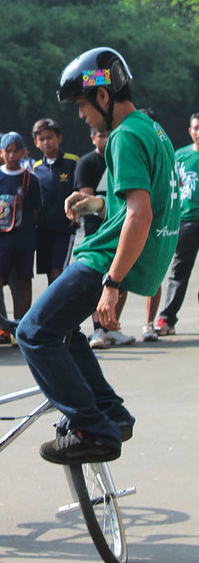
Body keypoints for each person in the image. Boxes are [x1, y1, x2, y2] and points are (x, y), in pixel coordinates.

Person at [16, 47, 180, 464]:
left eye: (82, 105)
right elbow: (142, 204)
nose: (81, 116)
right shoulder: (153, 130)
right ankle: (111, 413)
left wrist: (112, 283)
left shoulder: (124, 137)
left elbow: (140, 216)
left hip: (104, 260)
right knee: (63, 331)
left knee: (34, 333)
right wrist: (94, 205)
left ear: (104, 98)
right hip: (125, 254)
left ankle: (92, 427)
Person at [75, 127, 136, 347]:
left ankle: (112, 327)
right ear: (92, 138)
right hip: (97, 230)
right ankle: (98, 329)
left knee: (121, 278)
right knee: (98, 282)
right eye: (101, 135)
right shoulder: (86, 163)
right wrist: (112, 212)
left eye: (109, 134)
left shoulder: (123, 159)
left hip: (122, 228)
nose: (106, 138)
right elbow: (86, 200)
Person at [0, 132, 42, 342]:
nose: (12, 155)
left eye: (16, 151)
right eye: (8, 151)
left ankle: (19, 329)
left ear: (24, 152)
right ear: (0, 152)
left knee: (24, 282)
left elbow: (35, 212)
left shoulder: (30, 179)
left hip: (24, 239)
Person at [153, 111, 199, 336]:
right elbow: (168, 186)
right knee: (179, 270)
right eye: (196, 128)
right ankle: (167, 318)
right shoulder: (179, 156)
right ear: (190, 131)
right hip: (186, 220)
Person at [31, 118, 79, 284]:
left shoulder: (72, 162)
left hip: (64, 228)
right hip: (43, 229)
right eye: (41, 139)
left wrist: (76, 215)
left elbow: (80, 191)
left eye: (50, 137)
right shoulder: (36, 168)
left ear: (58, 138)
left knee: (58, 272)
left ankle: (60, 308)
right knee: (49, 275)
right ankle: (54, 308)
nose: (46, 142)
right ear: (36, 142)